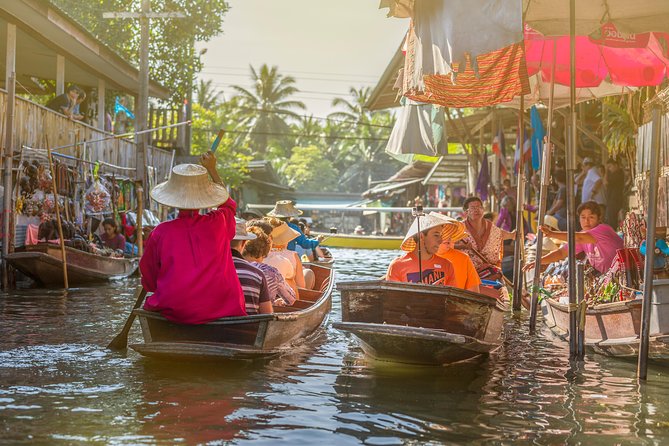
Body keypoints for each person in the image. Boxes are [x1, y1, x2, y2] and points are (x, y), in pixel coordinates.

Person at [140, 152, 246, 324]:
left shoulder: (160, 232)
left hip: (174, 307)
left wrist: (158, 287)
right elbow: (229, 204)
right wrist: (212, 169)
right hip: (222, 306)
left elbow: (149, 279)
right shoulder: (218, 222)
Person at [525, 201, 624, 275]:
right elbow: (561, 253)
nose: (587, 221)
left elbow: (579, 238)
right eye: (583, 217)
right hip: (608, 276)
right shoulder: (582, 236)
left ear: (599, 218)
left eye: (591, 217)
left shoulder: (603, 229)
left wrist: (551, 234)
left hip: (623, 274)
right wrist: (538, 261)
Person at [386, 213, 457, 286]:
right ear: (421, 236)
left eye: (441, 236)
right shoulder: (397, 266)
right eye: (436, 235)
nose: (440, 241)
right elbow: (392, 296)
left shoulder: (447, 265)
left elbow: (452, 297)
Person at [457, 196, 515, 276]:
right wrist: (462, 246)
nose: (477, 210)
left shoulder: (490, 226)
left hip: (488, 272)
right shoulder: (459, 228)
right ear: (466, 212)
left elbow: (499, 234)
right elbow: (447, 245)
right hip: (467, 272)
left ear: (483, 210)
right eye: (473, 208)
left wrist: (512, 235)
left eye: (479, 207)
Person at [242, 225, 297, 306]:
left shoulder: (231, 266)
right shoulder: (271, 273)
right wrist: (276, 302)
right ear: (266, 250)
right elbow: (291, 299)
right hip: (262, 315)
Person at [230, 218, 273, 315]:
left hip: (214, 330)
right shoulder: (257, 275)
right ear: (244, 243)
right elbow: (267, 315)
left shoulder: (208, 271)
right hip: (250, 329)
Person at [432, 213, 481, 292]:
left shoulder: (463, 259)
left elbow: (474, 294)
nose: (447, 237)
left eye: (449, 233)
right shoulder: (420, 258)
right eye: (443, 234)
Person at [265, 219, 311, 296]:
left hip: (267, 295)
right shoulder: (293, 255)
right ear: (285, 240)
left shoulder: (260, 254)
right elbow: (301, 286)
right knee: (309, 273)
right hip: (287, 297)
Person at [604, 158, 625, 228]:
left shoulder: (618, 174)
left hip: (615, 199)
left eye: (610, 167)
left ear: (616, 165)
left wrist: (606, 171)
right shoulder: (614, 174)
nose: (609, 169)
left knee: (612, 220)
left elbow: (605, 182)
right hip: (612, 199)